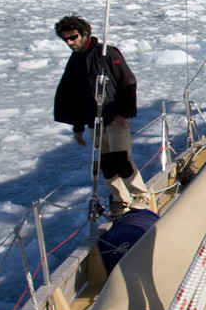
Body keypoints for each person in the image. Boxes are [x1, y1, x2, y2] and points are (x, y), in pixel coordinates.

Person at [52, 15, 154, 217]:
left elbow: (127, 81)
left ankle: (141, 195)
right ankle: (120, 199)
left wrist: (125, 113)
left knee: (121, 158)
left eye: (73, 37)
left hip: (114, 117)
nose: (70, 42)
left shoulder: (106, 53)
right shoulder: (75, 61)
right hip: (94, 121)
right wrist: (78, 127)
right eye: (66, 39)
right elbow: (74, 95)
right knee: (106, 163)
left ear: (85, 34)